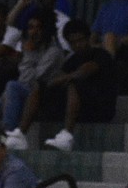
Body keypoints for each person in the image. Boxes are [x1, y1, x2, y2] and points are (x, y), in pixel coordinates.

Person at [0, 13, 63, 151]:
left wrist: (28, 55)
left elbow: (35, 78)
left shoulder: (53, 51)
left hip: (42, 98)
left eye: (38, 28)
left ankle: (9, 136)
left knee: (13, 86)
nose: (33, 32)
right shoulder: (29, 47)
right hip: (22, 95)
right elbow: (23, 79)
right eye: (30, 28)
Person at [42, 18, 116, 152]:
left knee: (73, 84)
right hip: (81, 108)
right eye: (73, 42)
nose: (77, 45)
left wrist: (66, 78)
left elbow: (85, 71)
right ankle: (21, 134)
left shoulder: (100, 54)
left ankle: (67, 136)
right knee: (40, 89)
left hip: (101, 108)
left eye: (80, 40)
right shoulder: (71, 60)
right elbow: (54, 80)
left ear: (88, 39)